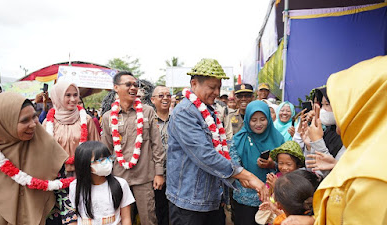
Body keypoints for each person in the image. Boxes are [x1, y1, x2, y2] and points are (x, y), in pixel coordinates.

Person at [283, 56, 387, 225]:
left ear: (363, 107)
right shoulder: (365, 149)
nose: (330, 112)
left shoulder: (373, 180)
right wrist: (314, 221)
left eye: (339, 104)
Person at [166, 59, 268, 225]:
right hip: (190, 202)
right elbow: (204, 155)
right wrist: (245, 174)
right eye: (212, 87)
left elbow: (222, 149)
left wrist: (237, 174)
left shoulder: (209, 111)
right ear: (194, 84)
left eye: (219, 87)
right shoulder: (184, 113)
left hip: (212, 198)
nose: (216, 92)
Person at [0, 92, 76, 225]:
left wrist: (71, 219)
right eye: (24, 120)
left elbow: (61, 188)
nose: (34, 124)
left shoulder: (47, 145)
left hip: (46, 217)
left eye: (34, 117)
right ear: (4, 123)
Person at [101, 71, 165, 225]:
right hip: (118, 177)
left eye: (135, 85)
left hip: (144, 177)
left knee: (148, 219)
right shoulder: (108, 117)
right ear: (116, 87)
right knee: (122, 219)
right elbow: (106, 150)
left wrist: (159, 173)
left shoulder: (147, 111)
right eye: (128, 84)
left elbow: (157, 144)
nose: (133, 88)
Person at [229, 100, 285, 225]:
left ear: (269, 119)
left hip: (272, 200)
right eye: (253, 120)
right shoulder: (238, 139)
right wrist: (244, 176)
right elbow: (233, 164)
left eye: (263, 119)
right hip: (245, 200)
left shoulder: (278, 138)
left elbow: (287, 165)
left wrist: (272, 164)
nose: (258, 124)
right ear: (247, 119)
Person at [42, 80, 100, 177]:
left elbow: (96, 149)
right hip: (56, 176)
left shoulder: (86, 120)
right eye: (68, 95)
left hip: (83, 174)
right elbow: (43, 152)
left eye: (75, 95)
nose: (73, 99)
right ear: (58, 97)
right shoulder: (48, 123)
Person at [69, 141, 135, 225]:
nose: (106, 162)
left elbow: (126, 219)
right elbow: (73, 217)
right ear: (85, 164)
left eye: (107, 158)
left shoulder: (121, 184)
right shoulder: (75, 187)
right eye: (100, 160)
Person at [150, 85, 171, 225]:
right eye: (161, 95)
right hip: (155, 175)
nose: (165, 98)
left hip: (175, 174)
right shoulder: (147, 120)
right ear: (153, 99)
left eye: (168, 95)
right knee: (158, 210)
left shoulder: (179, 119)